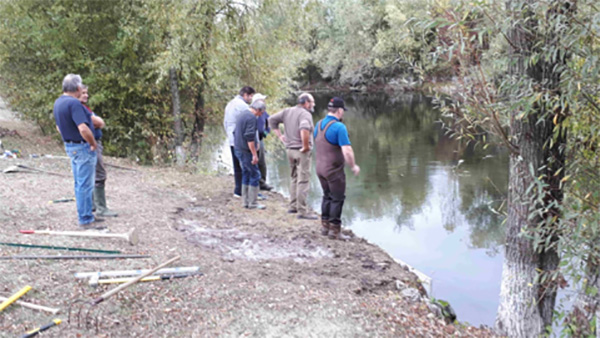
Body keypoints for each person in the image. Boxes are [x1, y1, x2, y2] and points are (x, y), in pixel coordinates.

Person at [53, 74, 104, 229]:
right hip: (82, 148)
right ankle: (85, 219)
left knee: (79, 183)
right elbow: (83, 128)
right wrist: (93, 143)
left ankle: (87, 214)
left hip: (71, 146)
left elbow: (59, 127)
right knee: (85, 185)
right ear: (77, 88)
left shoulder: (58, 102)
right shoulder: (74, 104)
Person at [314, 97, 360, 240]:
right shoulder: (339, 127)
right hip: (333, 170)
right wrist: (353, 165)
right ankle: (335, 231)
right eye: (343, 111)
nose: (343, 114)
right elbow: (347, 150)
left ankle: (325, 226)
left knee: (327, 196)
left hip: (319, 168)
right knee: (337, 198)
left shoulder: (319, 124)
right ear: (339, 110)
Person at [269, 92, 317, 220]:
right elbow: (304, 128)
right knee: (304, 180)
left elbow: (271, 120)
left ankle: (293, 206)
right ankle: (302, 211)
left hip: (290, 150)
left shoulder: (287, 111)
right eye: (312, 102)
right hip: (301, 151)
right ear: (306, 103)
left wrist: (280, 136)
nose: (314, 105)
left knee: (294, 177)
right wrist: (306, 146)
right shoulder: (305, 114)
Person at [79, 85, 118, 217]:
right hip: (91, 144)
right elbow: (97, 122)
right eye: (83, 93)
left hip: (93, 143)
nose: (86, 95)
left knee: (91, 175)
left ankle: (93, 205)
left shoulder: (84, 107)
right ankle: (101, 208)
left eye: (86, 93)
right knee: (99, 175)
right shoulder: (79, 109)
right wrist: (99, 122)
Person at [234, 99, 267, 209]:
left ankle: (245, 202)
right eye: (261, 113)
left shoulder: (242, 114)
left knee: (246, 173)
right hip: (245, 151)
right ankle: (253, 203)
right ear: (257, 110)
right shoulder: (251, 117)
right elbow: (249, 137)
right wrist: (254, 154)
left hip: (238, 148)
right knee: (255, 174)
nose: (260, 115)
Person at [224, 86, 255, 198]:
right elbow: (249, 122)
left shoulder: (230, 104)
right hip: (240, 140)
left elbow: (225, 122)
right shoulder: (242, 106)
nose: (251, 98)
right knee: (247, 166)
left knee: (237, 166)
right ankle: (249, 191)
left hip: (231, 138)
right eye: (250, 96)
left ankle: (238, 190)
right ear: (245, 95)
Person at [252, 93, 273, 191]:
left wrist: (266, 131)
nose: (264, 102)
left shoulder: (264, 112)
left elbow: (269, 122)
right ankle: (256, 183)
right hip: (253, 139)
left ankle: (263, 182)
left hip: (260, 139)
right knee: (254, 161)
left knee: (262, 163)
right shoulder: (252, 112)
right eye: (262, 100)